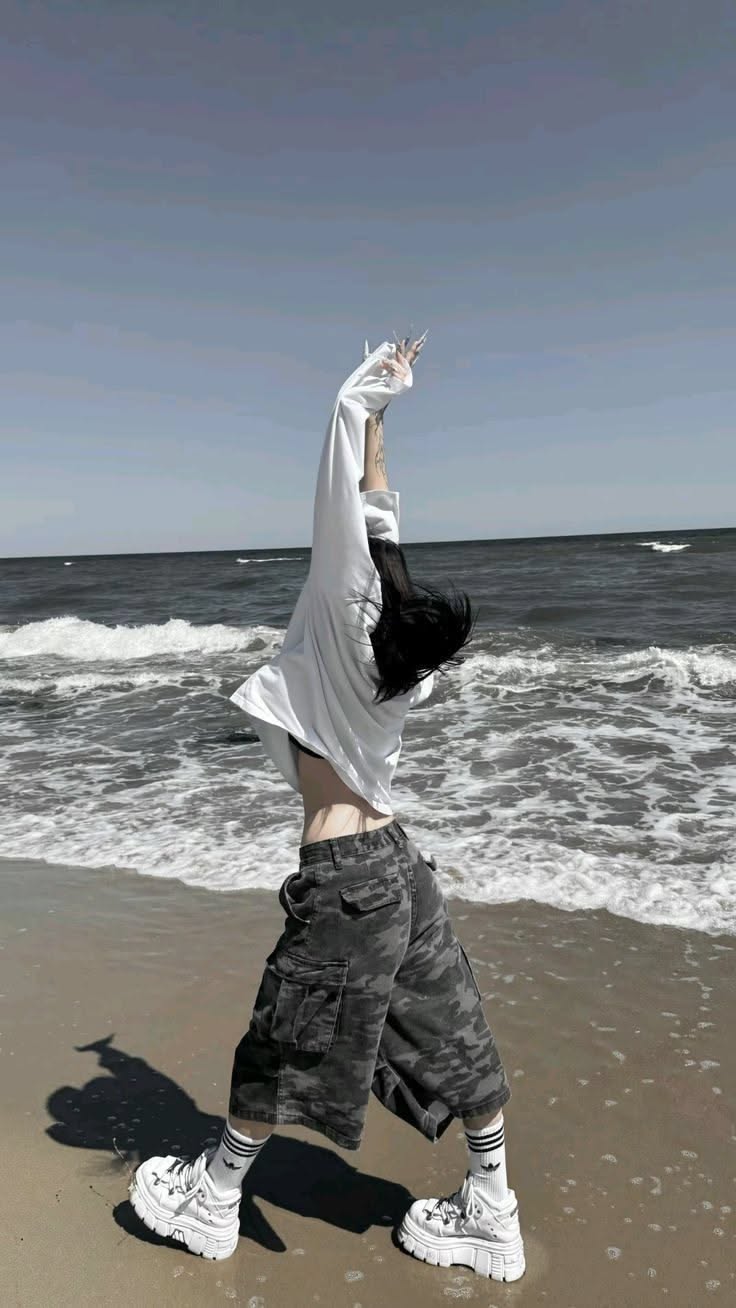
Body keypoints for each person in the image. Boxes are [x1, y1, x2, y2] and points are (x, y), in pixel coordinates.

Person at [129, 333, 525, 1283]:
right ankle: (493, 1211)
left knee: (283, 1036)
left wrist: (363, 393)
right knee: (451, 1029)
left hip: (346, 881)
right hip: (398, 867)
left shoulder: (343, 619)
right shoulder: (401, 661)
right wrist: (385, 420)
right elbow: (379, 526)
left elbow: (346, 514)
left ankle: (212, 1199)